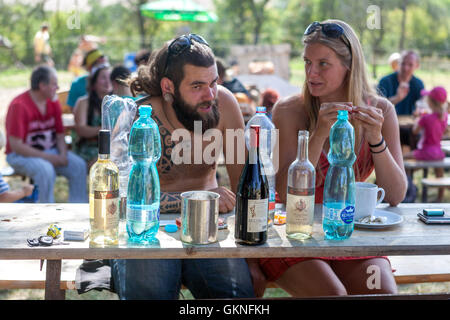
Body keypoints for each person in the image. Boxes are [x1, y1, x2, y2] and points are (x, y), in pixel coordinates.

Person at [249, 20, 408, 298]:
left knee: (381, 292)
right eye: (307, 62)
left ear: (350, 66)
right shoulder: (290, 109)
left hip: (349, 231)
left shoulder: (381, 110)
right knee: (333, 294)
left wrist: (375, 138)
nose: (311, 73)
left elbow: (395, 195)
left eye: (323, 63)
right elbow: (285, 191)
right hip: (296, 232)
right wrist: (319, 133)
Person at [110, 34, 254, 299]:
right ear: (168, 87)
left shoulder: (226, 103)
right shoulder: (136, 117)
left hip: (210, 228)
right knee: (150, 293)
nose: (209, 94)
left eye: (213, 82)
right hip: (146, 229)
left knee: (236, 295)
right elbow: (117, 201)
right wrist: (200, 201)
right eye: (197, 86)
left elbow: (245, 186)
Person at [5, 66, 88, 203]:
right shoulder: (19, 105)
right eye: (54, 84)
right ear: (42, 86)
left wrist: (62, 154)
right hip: (20, 156)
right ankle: (45, 215)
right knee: (45, 170)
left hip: (50, 151)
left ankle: (78, 209)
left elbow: (60, 134)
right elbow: (17, 146)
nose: (57, 87)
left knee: (78, 166)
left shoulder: (53, 101)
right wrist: (50, 157)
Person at [406, 86, 448, 202]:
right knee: (439, 171)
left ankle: (409, 191)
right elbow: (443, 131)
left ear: (430, 102)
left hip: (425, 151)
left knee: (403, 160)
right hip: (438, 152)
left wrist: (418, 118)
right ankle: (440, 197)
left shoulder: (426, 118)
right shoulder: (443, 117)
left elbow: (414, 131)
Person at [73, 64, 112, 168]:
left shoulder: (114, 103)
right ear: (93, 83)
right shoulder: (83, 102)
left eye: (109, 77)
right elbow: (81, 130)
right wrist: (105, 130)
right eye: (103, 77)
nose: (107, 81)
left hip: (111, 148)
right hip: (89, 149)